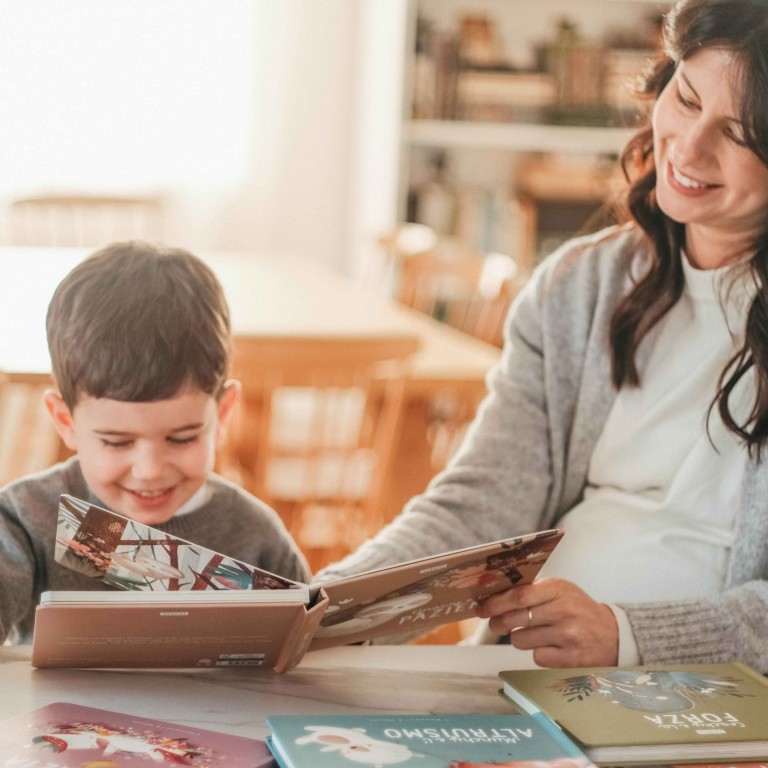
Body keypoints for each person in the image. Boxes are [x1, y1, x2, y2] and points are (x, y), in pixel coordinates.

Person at [316, 0, 768, 673]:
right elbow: (481, 503)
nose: (690, 146)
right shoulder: (578, 288)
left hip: (703, 701)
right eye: (687, 97)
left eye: (737, 133)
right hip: (525, 673)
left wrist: (628, 635)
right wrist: (326, 612)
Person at [0, 241, 309, 644]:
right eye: (116, 442)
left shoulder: (256, 537)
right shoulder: (26, 520)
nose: (149, 470)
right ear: (65, 421)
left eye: (182, 438)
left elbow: (305, 649)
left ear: (224, 414)